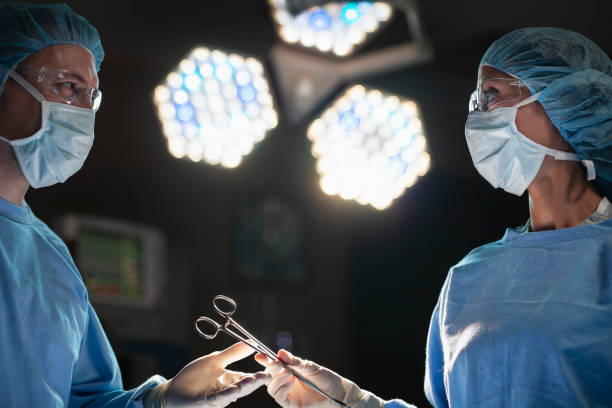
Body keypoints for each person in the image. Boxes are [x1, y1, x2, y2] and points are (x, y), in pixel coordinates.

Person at [257, 27, 612, 407]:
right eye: (476, 100)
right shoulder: (470, 277)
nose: (478, 117)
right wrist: (343, 400)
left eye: (492, 95)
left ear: (566, 100)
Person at [0, 2, 270, 407]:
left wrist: (159, 399)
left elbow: (86, 398)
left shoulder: (52, 261)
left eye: (90, 98)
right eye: (67, 87)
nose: (80, 114)